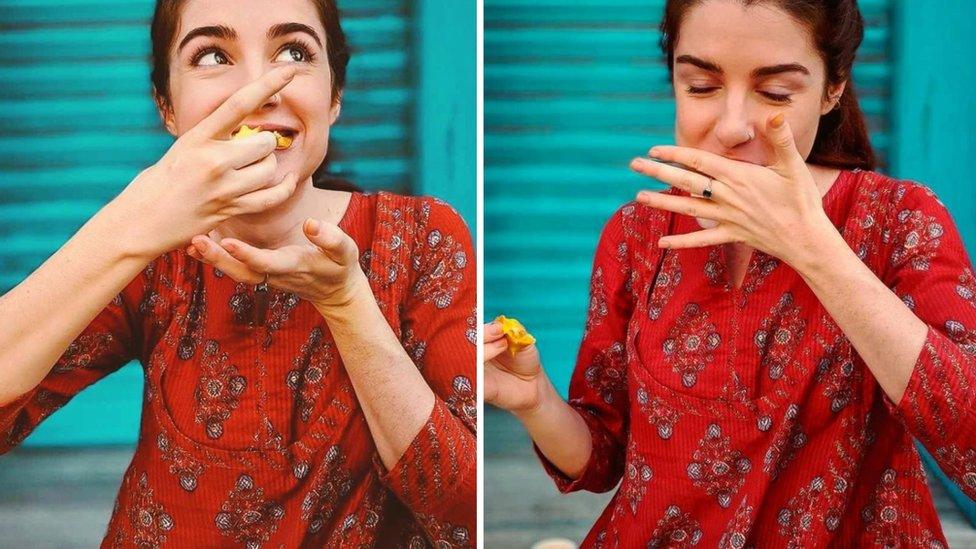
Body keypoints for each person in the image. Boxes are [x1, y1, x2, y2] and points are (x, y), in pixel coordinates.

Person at [485, 0, 974, 546]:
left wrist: (816, 251)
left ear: (833, 88)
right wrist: (535, 401)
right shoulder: (636, 235)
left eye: (775, 94)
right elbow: (603, 459)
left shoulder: (898, 222)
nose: (732, 126)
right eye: (700, 86)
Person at [0, 0, 475, 546]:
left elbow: (466, 515)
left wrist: (348, 305)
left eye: (293, 52)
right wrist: (135, 218)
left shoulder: (422, 240)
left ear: (334, 94)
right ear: (166, 106)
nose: (259, 89)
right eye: (211, 56)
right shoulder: (155, 255)